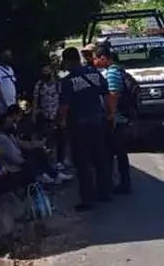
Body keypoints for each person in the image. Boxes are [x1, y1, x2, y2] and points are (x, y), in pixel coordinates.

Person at [57, 46, 113, 211]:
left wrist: (61, 123)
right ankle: (104, 192)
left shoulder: (67, 81)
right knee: (100, 158)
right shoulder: (94, 74)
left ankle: (88, 199)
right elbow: (106, 93)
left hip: (79, 125)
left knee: (82, 162)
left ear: (67, 61)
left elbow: (64, 106)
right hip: (97, 121)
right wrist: (110, 113)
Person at [0, 106, 71, 185]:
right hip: (13, 155)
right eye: (19, 115)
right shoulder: (5, 130)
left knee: (38, 151)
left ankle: (52, 175)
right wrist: (35, 145)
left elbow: (19, 142)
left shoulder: (12, 127)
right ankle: (48, 175)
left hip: (16, 151)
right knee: (36, 153)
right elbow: (19, 144)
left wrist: (35, 144)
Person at [97, 44, 133, 194]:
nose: (95, 61)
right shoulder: (119, 69)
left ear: (103, 58)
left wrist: (110, 115)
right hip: (122, 119)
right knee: (119, 153)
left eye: (96, 58)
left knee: (112, 153)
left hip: (116, 120)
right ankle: (122, 183)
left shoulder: (111, 72)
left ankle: (115, 185)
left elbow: (113, 95)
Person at [32, 63, 65, 171]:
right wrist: (34, 113)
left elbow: (62, 99)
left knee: (60, 139)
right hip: (44, 115)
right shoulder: (40, 84)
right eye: (43, 72)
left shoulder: (58, 84)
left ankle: (60, 161)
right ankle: (48, 162)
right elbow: (35, 99)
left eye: (47, 71)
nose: (45, 74)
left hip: (56, 115)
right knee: (46, 140)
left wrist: (62, 116)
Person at [0, 49, 17, 117]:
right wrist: (3, 102)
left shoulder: (11, 69)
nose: (9, 57)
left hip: (12, 103)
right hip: (3, 104)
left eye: (10, 55)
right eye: (7, 55)